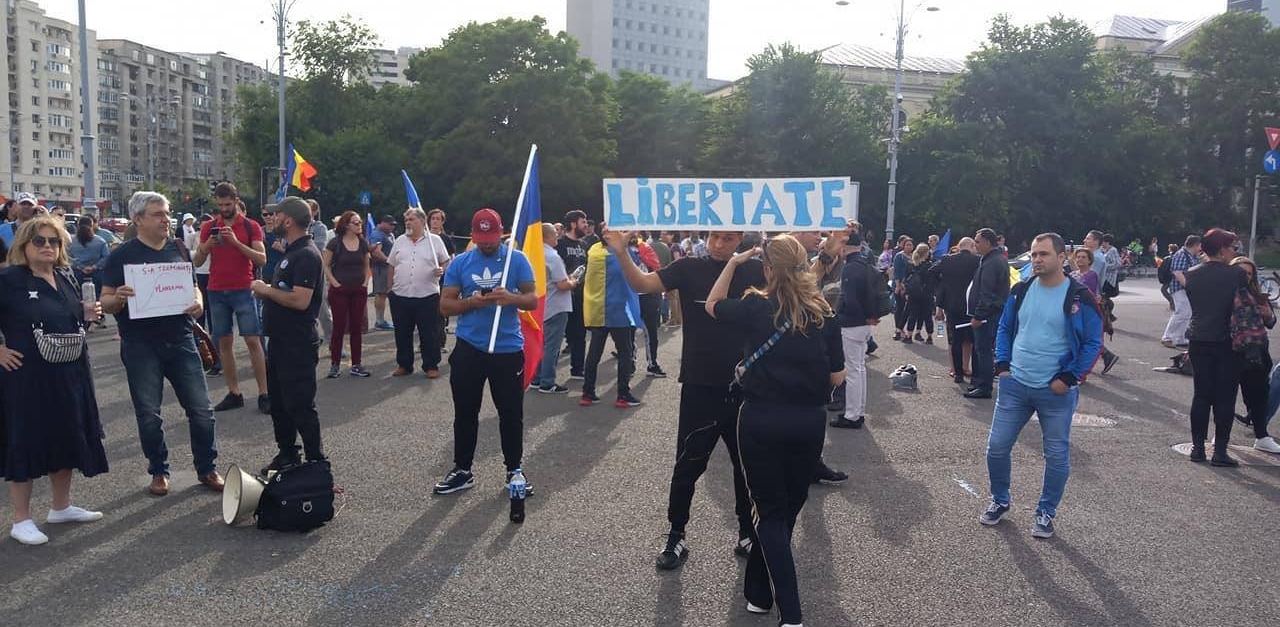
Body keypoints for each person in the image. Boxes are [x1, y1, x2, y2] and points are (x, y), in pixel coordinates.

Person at [705, 235, 844, 627]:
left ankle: (791, 614)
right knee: (786, 510)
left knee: (769, 514)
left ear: (767, 269)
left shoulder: (755, 306)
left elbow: (712, 304)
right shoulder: (823, 312)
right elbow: (838, 376)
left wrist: (733, 264)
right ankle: (759, 591)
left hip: (761, 419)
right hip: (808, 423)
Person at [609, 229, 764, 569]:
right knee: (687, 465)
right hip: (699, 383)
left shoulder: (756, 269)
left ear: (740, 238)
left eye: (727, 239)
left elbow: (798, 285)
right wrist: (621, 251)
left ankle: (747, 531)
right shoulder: (688, 267)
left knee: (747, 466)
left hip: (745, 386)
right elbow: (643, 284)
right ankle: (676, 534)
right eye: (714, 237)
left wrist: (827, 251)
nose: (718, 244)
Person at [980, 233, 1103, 539]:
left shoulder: (1079, 296)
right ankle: (1000, 499)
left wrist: (1070, 378)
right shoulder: (1021, 290)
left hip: (1056, 390)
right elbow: (1005, 327)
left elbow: (1093, 342)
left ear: (1062, 258)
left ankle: (1046, 512)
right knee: (997, 448)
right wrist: (1003, 365)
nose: (1036, 259)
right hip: (1015, 385)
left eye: (1044, 254)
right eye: (1034, 254)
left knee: (1056, 455)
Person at [101, 191, 222, 498]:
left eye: (167, 213)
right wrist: (118, 299)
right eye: (158, 214)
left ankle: (207, 467)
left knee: (201, 410)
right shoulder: (121, 255)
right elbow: (105, 301)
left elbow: (193, 287)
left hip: (181, 339)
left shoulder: (178, 248)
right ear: (138, 219)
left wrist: (198, 302)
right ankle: (158, 470)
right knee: (149, 414)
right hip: (140, 345)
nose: (166, 219)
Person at [0, 217, 108, 545]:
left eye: (54, 241)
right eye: (40, 241)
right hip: (26, 375)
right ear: (23, 245)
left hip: (70, 371)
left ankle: (61, 507)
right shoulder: (8, 279)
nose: (48, 246)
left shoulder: (66, 276)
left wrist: (90, 315)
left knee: (66, 433)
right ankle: (21, 519)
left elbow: (75, 320)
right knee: (26, 440)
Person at [433, 208, 537, 497]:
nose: (487, 244)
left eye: (491, 239)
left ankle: (514, 470)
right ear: (473, 235)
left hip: (507, 348)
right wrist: (471, 303)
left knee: (511, 413)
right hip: (470, 347)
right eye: (481, 239)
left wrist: (511, 298)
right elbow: (445, 305)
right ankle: (462, 470)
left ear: (501, 233)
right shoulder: (461, 262)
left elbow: (532, 300)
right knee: (465, 411)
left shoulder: (517, 260)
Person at [250, 197, 327, 473]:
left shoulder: (306, 254)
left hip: (297, 342)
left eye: (277, 214)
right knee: (280, 403)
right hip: (281, 340)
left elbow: (300, 300)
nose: (272, 219)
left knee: (300, 404)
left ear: (289, 220)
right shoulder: (292, 251)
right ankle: (288, 454)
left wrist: (265, 290)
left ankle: (316, 461)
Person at [194, 183, 269, 413]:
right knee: (223, 343)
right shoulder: (209, 226)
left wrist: (236, 243)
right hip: (216, 290)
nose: (224, 209)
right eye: (220, 205)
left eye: (228, 204)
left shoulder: (250, 225)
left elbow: (261, 258)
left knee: (253, 341)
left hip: (243, 289)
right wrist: (207, 245)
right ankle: (234, 392)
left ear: (236, 201)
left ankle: (264, 393)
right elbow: (197, 261)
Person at [1183, 229, 1249, 466]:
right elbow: (1243, 306)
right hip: (1227, 340)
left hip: (1198, 338)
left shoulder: (1192, 273)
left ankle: (1197, 448)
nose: (1235, 251)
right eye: (1233, 247)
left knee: (1201, 394)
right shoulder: (1237, 274)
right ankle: (1220, 451)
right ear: (1222, 250)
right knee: (1225, 397)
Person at [580, 224, 644, 408]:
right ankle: (623, 395)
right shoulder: (622, 254)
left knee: (594, 353)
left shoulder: (594, 251)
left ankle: (587, 393)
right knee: (625, 353)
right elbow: (636, 274)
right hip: (619, 310)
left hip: (598, 309)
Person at [386, 208, 451, 378]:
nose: (407, 223)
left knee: (429, 332)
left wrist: (441, 269)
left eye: (411, 219)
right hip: (400, 294)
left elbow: (446, 261)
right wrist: (389, 289)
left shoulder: (434, 241)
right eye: (406, 220)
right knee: (402, 332)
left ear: (422, 222)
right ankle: (404, 365)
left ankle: (431, 365)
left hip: (427, 295)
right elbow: (391, 264)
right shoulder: (400, 241)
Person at [1228, 256, 1280, 454]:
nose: (1246, 276)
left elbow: (1271, 322)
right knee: (1225, 395)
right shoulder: (1225, 292)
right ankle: (1221, 434)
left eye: (1250, 273)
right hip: (1231, 350)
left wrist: (1267, 314)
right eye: (1242, 272)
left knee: (1258, 395)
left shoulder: (1256, 293)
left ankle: (1262, 436)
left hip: (1257, 352)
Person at [833, 232, 878, 429]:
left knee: (852, 371)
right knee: (859, 369)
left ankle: (851, 415)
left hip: (851, 323)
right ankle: (857, 412)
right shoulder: (866, 263)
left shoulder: (849, 268)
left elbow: (850, 300)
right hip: (864, 323)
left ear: (844, 246)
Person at [321, 210, 372, 378]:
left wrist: (365, 283)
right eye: (356, 223)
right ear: (346, 225)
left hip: (358, 290)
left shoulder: (362, 242)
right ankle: (335, 364)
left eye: (360, 222)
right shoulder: (335, 243)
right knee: (339, 327)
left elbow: (367, 264)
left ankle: (356, 364)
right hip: (339, 291)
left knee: (357, 327)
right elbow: (325, 264)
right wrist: (334, 283)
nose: (359, 225)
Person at [965, 228, 1010, 399]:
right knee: (982, 350)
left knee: (983, 351)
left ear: (987, 242)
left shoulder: (992, 262)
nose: (975, 245)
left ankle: (984, 387)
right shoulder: (992, 259)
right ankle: (981, 383)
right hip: (990, 314)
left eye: (977, 242)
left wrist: (979, 316)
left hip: (988, 316)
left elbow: (987, 293)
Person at [532, 223, 577, 394]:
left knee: (542, 344)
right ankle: (547, 381)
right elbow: (562, 284)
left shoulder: (535, 254)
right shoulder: (552, 256)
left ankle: (537, 377)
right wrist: (573, 281)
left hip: (542, 304)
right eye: (554, 233)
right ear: (546, 237)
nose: (557, 235)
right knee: (552, 346)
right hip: (556, 305)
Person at [930, 237, 980, 384]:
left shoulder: (947, 260)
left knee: (955, 341)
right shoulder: (978, 261)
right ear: (972, 246)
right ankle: (973, 374)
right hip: (972, 306)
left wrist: (941, 287)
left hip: (952, 306)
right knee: (973, 341)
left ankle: (958, 373)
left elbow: (931, 271)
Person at [1070, 248, 1121, 374]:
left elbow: (1086, 293)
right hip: (1073, 310)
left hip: (1086, 311)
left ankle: (1102, 357)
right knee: (1080, 337)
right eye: (1078, 257)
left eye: (1083, 257)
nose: (1080, 259)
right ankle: (1105, 356)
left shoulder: (1091, 275)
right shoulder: (1073, 274)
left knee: (1084, 338)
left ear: (1089, 261)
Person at [557, 210, 590, 379]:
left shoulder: (584, 245)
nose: (586, 225)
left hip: (580, 297)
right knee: (556, 336)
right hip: (561, 297)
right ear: (573, 224)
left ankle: (578, 369)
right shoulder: (559, 244)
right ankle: (545, 374)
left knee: (579, 334)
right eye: (583, 222)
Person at [188, 213, 219, 375]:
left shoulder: (218, 235)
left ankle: (213, 352)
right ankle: (200, 350)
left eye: (210, 223)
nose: (207, 225)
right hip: (198, 274)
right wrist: (203, 246)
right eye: (204, 223)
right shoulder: (193, 236)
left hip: (212, 274)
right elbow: (189, 255)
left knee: (213, 317)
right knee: (199, 316)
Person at [633, 234, 667, 378]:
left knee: (651, 332)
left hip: (648, 295)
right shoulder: (620, 251)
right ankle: (630, 363)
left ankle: (652, 364)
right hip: (631, 296)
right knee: (629, 332)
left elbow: (656, 268)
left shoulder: (645, 248)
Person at [69, 215, 110, 327]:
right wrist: (94, 266)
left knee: (79, 296)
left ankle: (82, 319)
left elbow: (68, 257)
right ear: (92, 226)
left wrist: (80, 266)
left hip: (77, 273)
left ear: (78, 226)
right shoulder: (100, 241)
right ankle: (98, 317)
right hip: (96, 273)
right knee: (96, 295)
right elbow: (106, 257)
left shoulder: (71, 241)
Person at [1162, 235, 1201, 349]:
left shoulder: (1190, 255)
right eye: (1199, 246)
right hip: (1179, 288)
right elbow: (1177, 272)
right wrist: (1188, 286)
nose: (1200, 248)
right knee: (1182, 312)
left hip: (1184, 289)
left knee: (1187, 313)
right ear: (1195, 245)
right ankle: (1168, 337)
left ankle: (1180, 338)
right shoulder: (1181, 254)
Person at [427, 208, 457, 351]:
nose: (435, 221)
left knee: (439, 312)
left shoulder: (445, 239)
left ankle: (440, 343)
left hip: (441, 279)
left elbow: (451, 258)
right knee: (425, 312)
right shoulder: (424, 237)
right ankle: (424, 343)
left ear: (442, 222)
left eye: (438, 219)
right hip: (425, 279)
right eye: (433, 218)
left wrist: (444, 269)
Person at [306, 199, 334, 340]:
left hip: (316, 270)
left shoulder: (320, 227)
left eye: (309, 208)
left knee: (323, 308)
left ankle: (331, 339)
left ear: (315, 212)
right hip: (299, 270)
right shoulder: (293, 225)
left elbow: (318, 246)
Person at [902, 243, 937, 344]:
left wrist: (907, 292)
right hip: (927, 294)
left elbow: (906, 280)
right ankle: (929, 337)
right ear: (925, 253)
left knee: (912, 315)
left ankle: (909, 336)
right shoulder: (930, 265)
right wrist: (934, 293)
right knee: (927, 316)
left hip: (913, 294)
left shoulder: (911, 264)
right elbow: (932, 281)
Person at [368, 214, 396, 330]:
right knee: (381, 293)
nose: (392, 227)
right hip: (381, 268)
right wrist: (388, 260)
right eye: (390, 224)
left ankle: (383, 320)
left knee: (386, 293)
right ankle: (379, 321)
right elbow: (376, 252)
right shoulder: (377, 234)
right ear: (382, 223)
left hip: (389, 268)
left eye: (393, 225)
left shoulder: (390, 234)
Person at [890, 235, 914, 340]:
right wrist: (898, 285)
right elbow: (896, 272)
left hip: (910, 286)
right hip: (899, 284)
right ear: (903, 246)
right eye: (907, 245)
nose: (909, 246)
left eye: (910, 245)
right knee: (899, 307)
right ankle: (898, 330)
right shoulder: (899, 256)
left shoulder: (914, 256)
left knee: (907, 309)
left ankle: (903, 328)